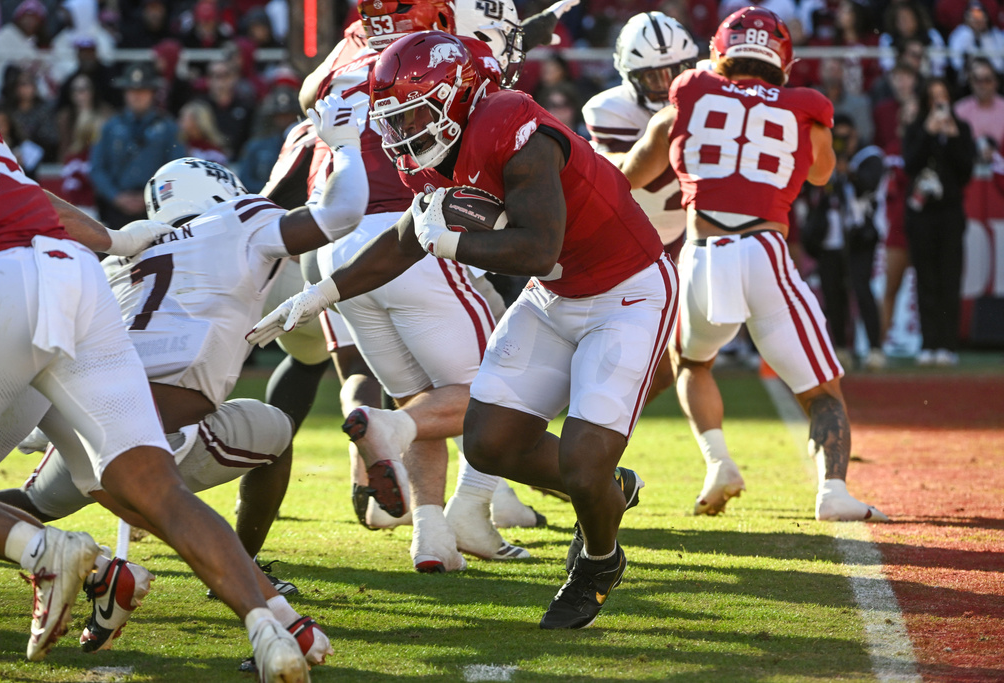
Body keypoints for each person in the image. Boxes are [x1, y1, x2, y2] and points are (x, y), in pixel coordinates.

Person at [250, 30, 678, 629]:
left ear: (457, 96)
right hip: (553, 295)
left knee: (584, 464)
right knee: (489, 442)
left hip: (624, 290)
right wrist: (319, 293)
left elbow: (537, 245)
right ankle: (608, 494)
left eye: (414, 115)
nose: (403, 135)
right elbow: (402, 242)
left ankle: (599, 562)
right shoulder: (438, 152)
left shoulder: (512, 125)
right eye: (394, 120)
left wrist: (452, 242)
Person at [0, 107, 313, 681]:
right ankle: (276, 621)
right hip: (72, 283)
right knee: (172, 489)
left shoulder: (141, 255)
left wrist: (116, 241)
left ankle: (58, 556)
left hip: (36, 325)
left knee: (63, 496)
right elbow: (33, 200)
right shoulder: (239, 232)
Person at [619, 7, 888, 522]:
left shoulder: (688, 94)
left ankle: (719, 462)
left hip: (698, 255)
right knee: (822, 389)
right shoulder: (805, 106)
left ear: (720, 51)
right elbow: (821, 174)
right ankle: (832, 491)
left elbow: (630, 175)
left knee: (693, 364)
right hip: (764, 251)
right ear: (782, 58)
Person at [582, 10, 697, 405]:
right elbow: (630, 176)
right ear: (630, 76)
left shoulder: (708, 99)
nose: (665, 86)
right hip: (627, 247)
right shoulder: (610, 109)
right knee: (642, 365)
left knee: (669, 369)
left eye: (675, 72)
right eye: (653, 76)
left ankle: (601, 425)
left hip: (681, 241)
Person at [902, 78, 975, 366]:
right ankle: (929, 343)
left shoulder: (961, 129)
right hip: (921, 216)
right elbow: (910, 165)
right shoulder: (916, 129)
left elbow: (965, 172)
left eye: (943, 97)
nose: (939, 104)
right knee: (926, 279)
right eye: (933, 98)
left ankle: (948, 344)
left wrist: (954, 137)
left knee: (949, 277)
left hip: (950, 214)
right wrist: (928, 134)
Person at [803, 114, 884, 369]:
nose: (840, 143)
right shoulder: (823, 160)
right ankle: (840, 348)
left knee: (861, 288)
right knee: (833, 294)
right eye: (835, 138)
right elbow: (809, 190)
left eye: (845, 137)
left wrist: (848, 171)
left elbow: (869, 185)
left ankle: (874, 348)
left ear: (856, 136)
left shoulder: (869, 156)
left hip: (859, 237)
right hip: (830, 238)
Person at [89, 62, 185, 229]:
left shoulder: (168, 128)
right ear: (125, 93)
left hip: (157, 209)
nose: (137, 96)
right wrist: (115, 196)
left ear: (152, 93)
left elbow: (177, 169)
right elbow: (97, 168)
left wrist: (151, 197)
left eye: (143, 90)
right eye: (132, 90)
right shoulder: (110, 127)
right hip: (116, 208)